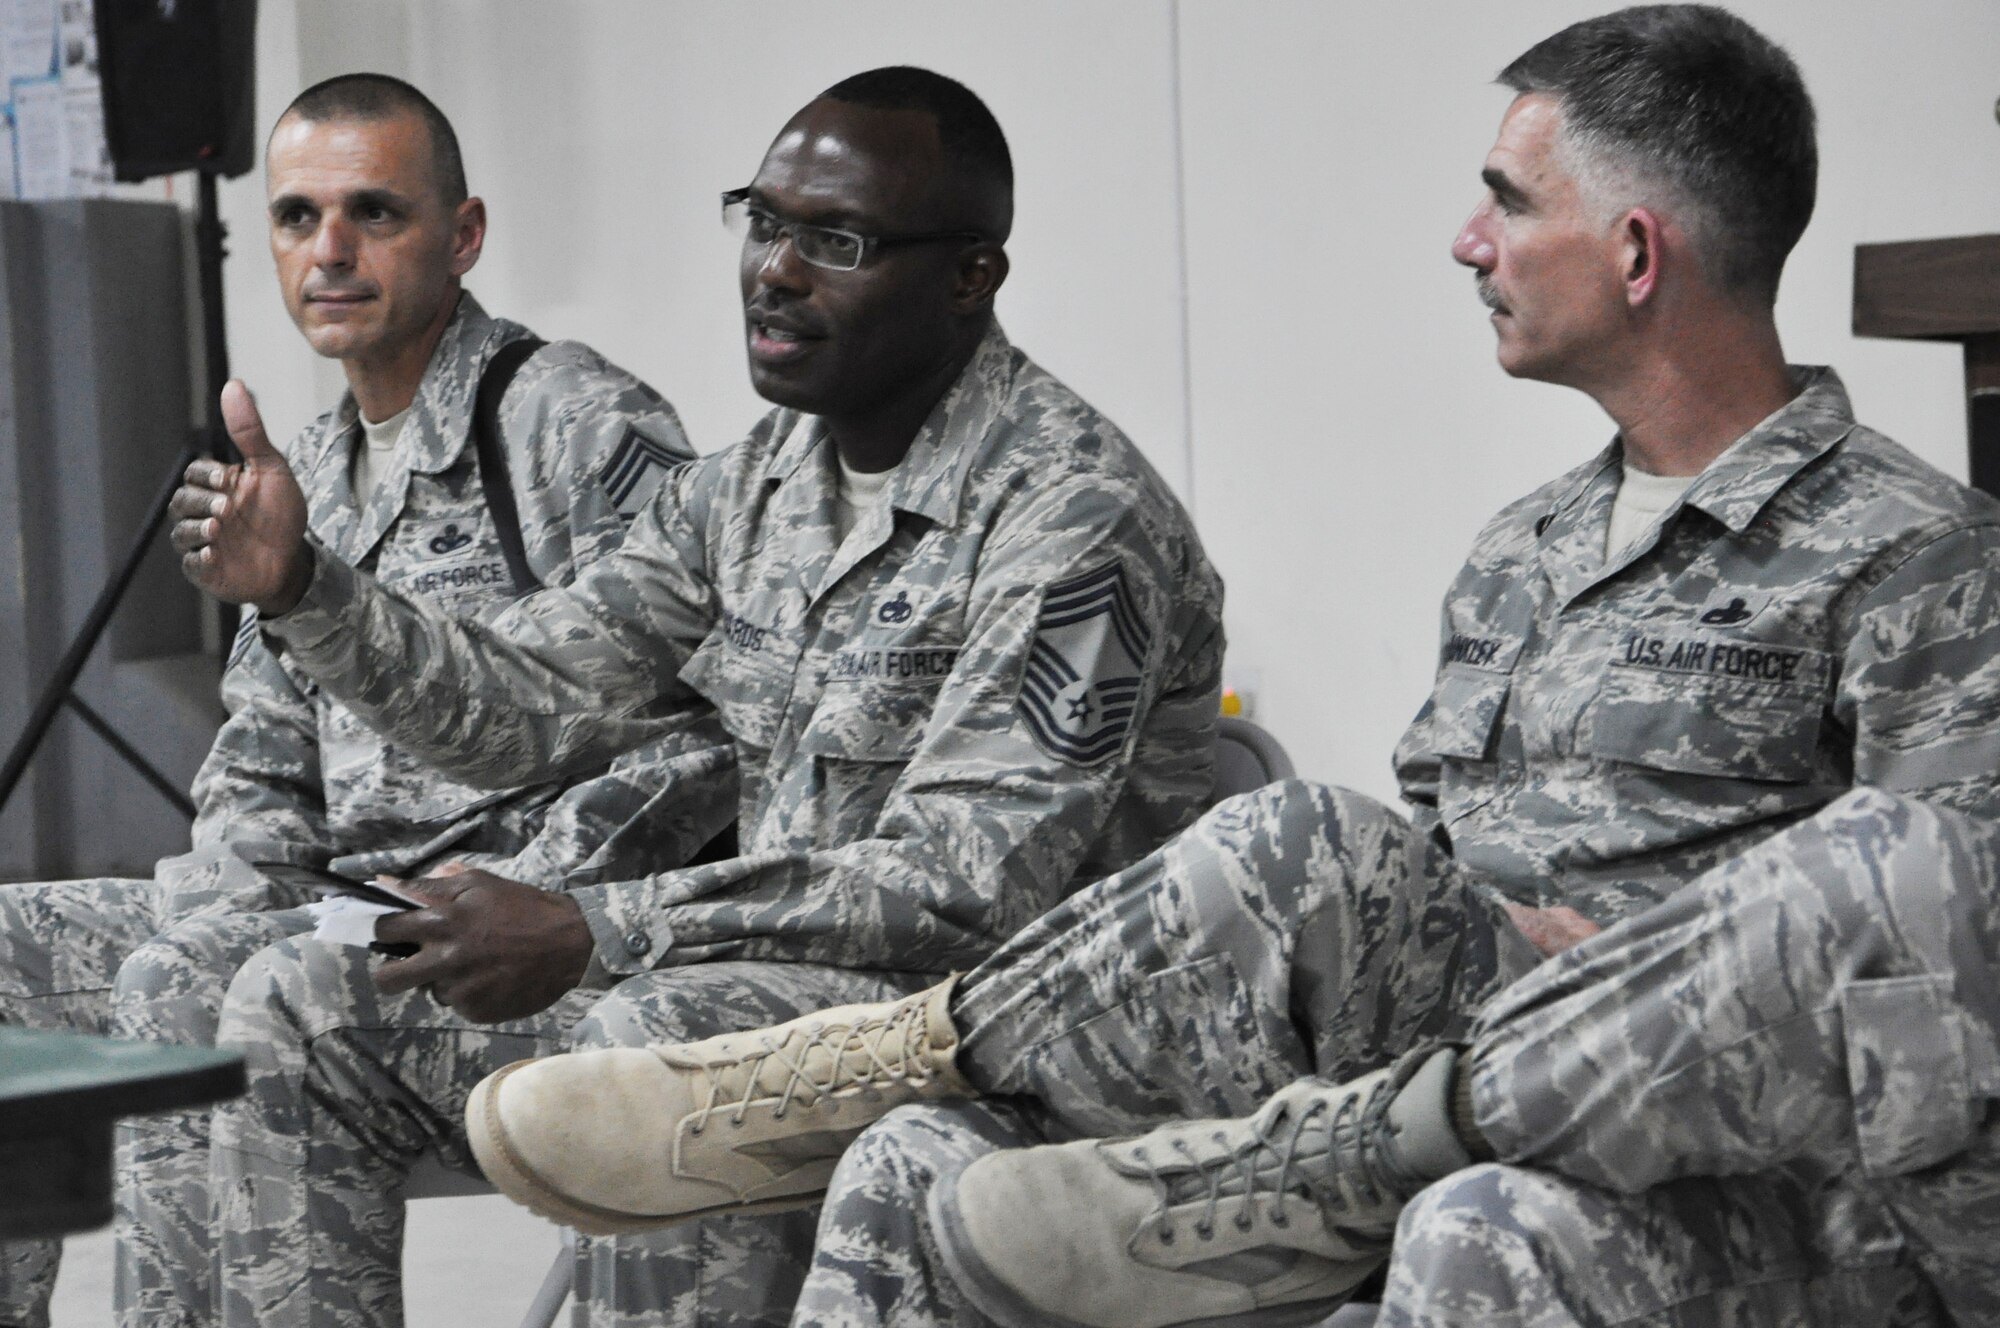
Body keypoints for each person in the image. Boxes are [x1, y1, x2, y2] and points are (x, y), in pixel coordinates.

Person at [462, 8, 2000, 1327]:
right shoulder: (1526, 549)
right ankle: (894, 1088)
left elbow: (1930, 1011)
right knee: (919, 1160)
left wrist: (1591, 946)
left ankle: (900, 1060)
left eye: (1505, 200)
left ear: (1636, 249)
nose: (1467, 240)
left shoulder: (1917, 558)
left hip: (1743, 1155)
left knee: (1333, 901)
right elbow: (1426, 871)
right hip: (1433, 1049)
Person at [172, 67, 1223, 1328]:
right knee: (303, 999)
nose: (773, 272)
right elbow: (526, 697)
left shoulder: (1068, 511)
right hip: (770, 990)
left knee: (660, 1035)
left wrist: (592, 923)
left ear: (970, 276)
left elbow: (961, 884)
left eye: (833, 240)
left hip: (1006, 1027)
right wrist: (302, 588)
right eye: (763, 222)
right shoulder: (761, 481)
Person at [0, 73, 726, 1328]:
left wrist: (535, 891)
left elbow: (694, 735)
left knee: (183, 986)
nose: (326, 250)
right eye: (295, 217)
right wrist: (230, 899)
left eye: (373, 213)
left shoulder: (573, 423)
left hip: (513, 940)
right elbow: (264, 759)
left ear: (463, 233)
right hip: (338, 916)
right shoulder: (314, 464)